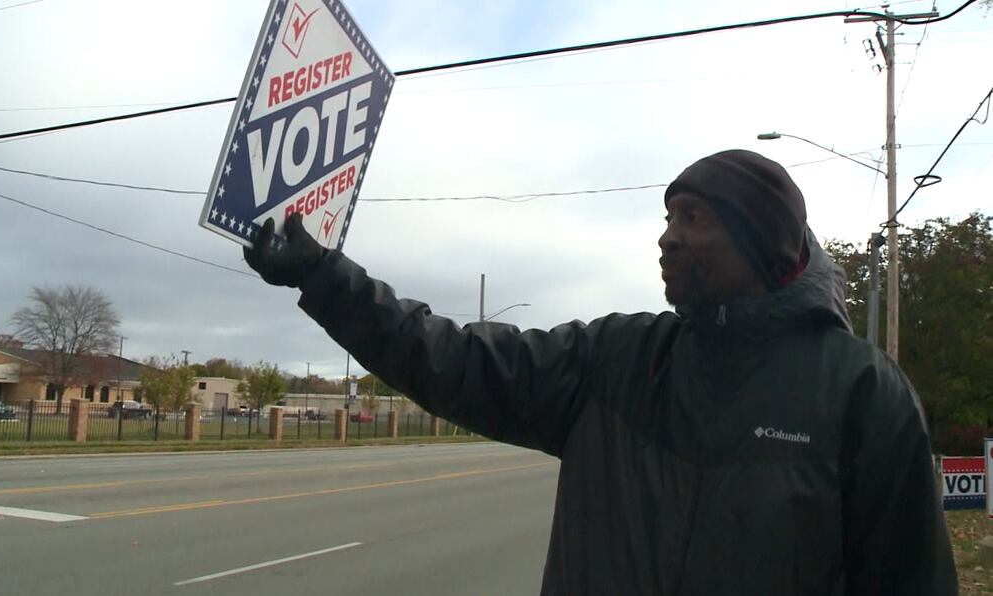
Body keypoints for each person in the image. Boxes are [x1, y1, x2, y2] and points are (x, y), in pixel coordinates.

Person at [243, 149, 958, 594]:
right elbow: (452, 358)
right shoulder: (616, 360)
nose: (668, 234)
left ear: (765, 244)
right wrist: (323, 275)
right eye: (669, 213)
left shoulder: (862, 392)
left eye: (695, 216)